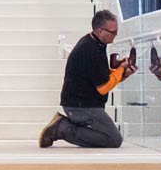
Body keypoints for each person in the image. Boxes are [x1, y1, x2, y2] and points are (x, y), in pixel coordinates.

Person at [40, 9, 133, 148]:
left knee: (110, 136)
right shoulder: (91, 50)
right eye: (113, 32)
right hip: (81, 106)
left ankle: (63, 126)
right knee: (113, 139)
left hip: (82, 104)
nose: (115, 36)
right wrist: (120, 69)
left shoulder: (93, 44)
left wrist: (122, 74)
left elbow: (100, 77)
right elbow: (103, 87)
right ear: (101, 31)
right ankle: (62, 128)